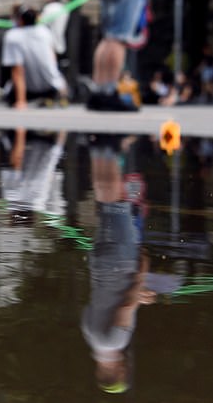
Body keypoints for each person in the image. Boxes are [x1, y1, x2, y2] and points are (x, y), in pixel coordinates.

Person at [82, 134, 157, 395]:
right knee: (105, 205)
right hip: (99, 264)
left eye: (124, 372)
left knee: (116, 204)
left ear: (118, 371)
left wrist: (142, 273)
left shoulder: (116, 341)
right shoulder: (91, 337)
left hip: (120, 261)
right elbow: (94, 304)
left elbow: (127, 303)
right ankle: (99, 148)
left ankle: (112, 148)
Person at [1, 5, 68, 109]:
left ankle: (25, 98)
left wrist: (21, 101)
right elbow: (53, 59)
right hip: (53, 85)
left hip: (30, 89)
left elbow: (17, 70)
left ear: (20, 20)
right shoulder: (45, 32)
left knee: (8, 96)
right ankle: (59, 94)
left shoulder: (13, 36)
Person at [39, 0, 69, 68]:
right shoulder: (64, 8)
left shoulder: (49, 7)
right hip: (61, 42)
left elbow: (42, 22)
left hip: (50, 43)